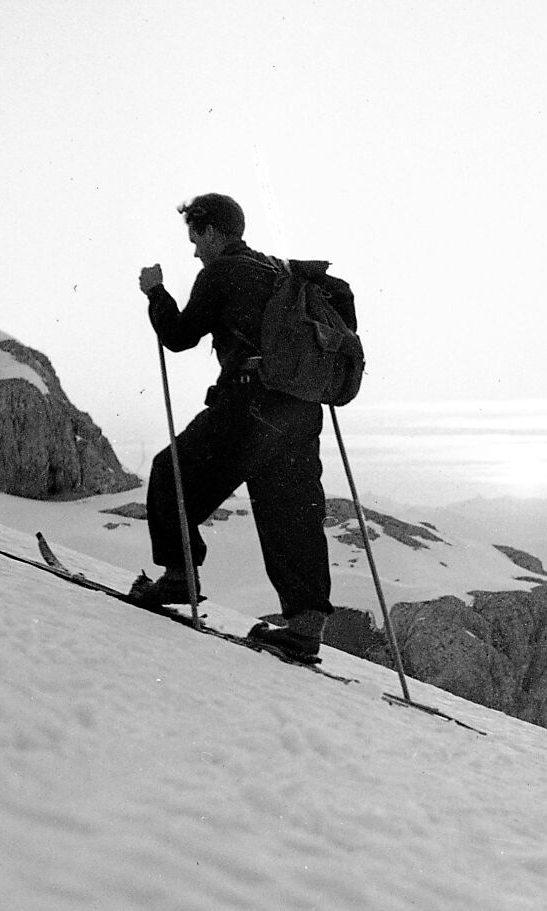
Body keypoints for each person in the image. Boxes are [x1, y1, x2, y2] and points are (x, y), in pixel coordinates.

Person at [131, 193, 351, 662]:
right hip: (300, 411)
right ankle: (305, 626)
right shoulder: (281, 272)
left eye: (195, 237)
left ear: (212, 231)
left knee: (172, 471)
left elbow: (179, 336)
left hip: (248, 405)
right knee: (292, 514)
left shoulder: (222, 272)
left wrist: (156, 293)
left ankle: (178, 576)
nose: (194, 249)